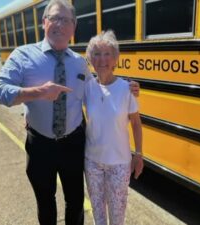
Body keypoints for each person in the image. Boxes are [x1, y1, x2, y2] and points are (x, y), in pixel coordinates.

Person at [0, 1, 139, 224]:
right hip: (40, 145)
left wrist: (128, 87)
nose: (60, 25)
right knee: (45, 201)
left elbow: (100, 89)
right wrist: (37, 92)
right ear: (44, 22)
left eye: (66, 20)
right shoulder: (22, 56)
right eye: (54, 18)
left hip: (73, 144)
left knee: (76, 201)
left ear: (73, 27)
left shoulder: (80, 63)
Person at [83, 30, 144, 225]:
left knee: (117, 217)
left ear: (116, 59)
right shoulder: (87, 87)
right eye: (97, 54)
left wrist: (139, 154)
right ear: (91, 59)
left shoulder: (127, 89)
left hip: (119, 163)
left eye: (107, 54)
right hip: (92, 162)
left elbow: (136, 123)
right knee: (98, 214)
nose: (102, 60)